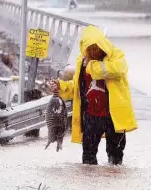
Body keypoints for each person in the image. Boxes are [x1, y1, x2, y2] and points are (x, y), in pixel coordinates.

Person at [49, 25, 138, 165]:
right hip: (91, 116)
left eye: (95, 48)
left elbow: (114, 70)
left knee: (115, 159)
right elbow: (76, 88)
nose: (93, 52)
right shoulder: (82, 62)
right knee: (88, 158)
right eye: (89, 49)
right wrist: (61, 86)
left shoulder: (117, 57)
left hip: (113, 116)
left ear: (102, 45)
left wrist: (91, 65)